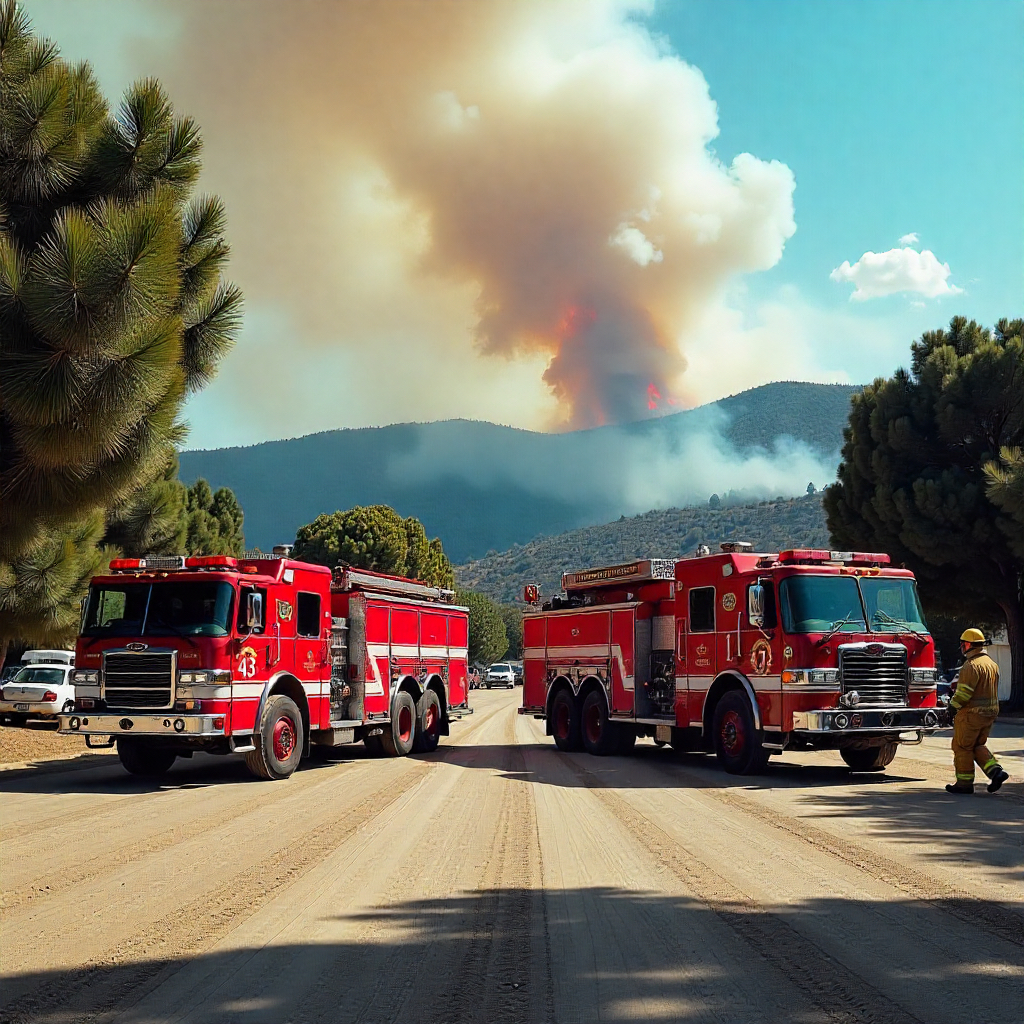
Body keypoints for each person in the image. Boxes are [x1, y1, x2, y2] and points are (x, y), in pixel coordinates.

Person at [945, 628, 1009, 795]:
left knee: (962, 747)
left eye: (963, 644)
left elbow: (964, 694)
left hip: (972, 714)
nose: (962, 647)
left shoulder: (971, 666)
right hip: (989, 714)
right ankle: (996, 772)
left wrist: (952, 708)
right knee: (977, 745)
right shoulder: (991, 664)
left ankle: (964, 784)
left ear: (968, 645)